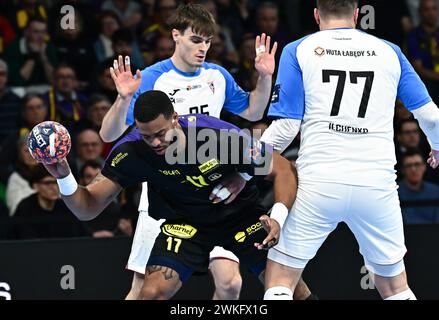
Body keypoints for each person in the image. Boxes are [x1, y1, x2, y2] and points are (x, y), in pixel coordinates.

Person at [99, 3, 314, 300]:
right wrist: (123, 99)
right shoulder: (152, 77)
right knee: (141, 289)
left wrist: (264, 77)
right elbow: (107, 134)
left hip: (216, 191)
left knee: (230, 283)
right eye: (195, 40)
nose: (203, 48)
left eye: (208, 41)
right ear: (176, 35)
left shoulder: (217, 75)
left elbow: (252, 112)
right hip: (167, 192)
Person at [41, 90, 298, 300]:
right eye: (147, 136)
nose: (155, 143)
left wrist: (277, 217)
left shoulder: (217, 136)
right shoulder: (132, 151)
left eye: (161, 134)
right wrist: (63, 175)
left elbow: (284, 169)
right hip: (185, 223)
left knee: (291, 290)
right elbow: (87, 208)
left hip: (240, 216)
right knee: (150, 293)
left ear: (175, 118)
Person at [260, 0, 439, 300]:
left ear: (316, 15)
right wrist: (436, 146)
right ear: (356, 15)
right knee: (396, 289)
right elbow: (431, 116)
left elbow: (286, 129)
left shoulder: (298, 50)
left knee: (280, 280)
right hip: (376, 184)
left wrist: (241, 161)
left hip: (318, 183)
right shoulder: (390, 51)